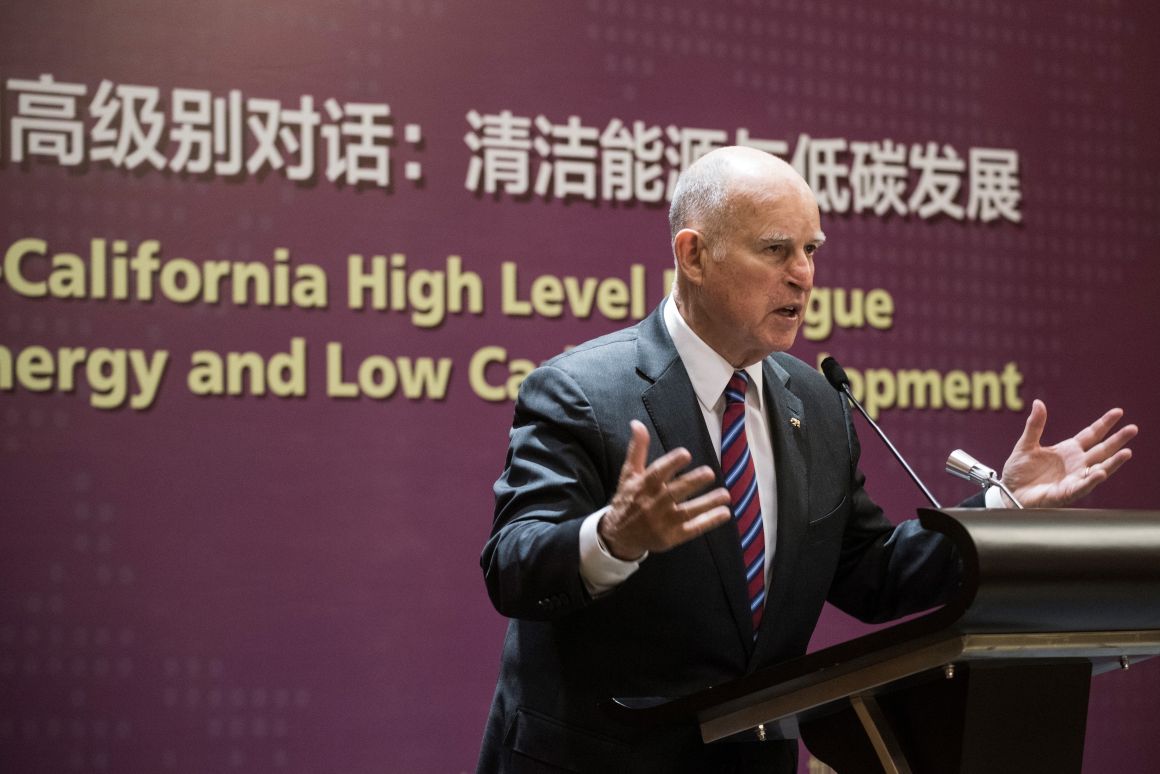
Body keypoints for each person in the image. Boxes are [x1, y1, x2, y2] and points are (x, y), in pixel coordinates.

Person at [477, 146, 1136, 773]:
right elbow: (512, 567)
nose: (803, 274)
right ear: (694, 255)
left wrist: (1002, 505)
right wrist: (612, 540)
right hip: (598, 760)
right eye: (776, 251)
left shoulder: (817, 402)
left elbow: (872, 573)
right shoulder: (581, 392)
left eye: (811, 250)